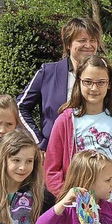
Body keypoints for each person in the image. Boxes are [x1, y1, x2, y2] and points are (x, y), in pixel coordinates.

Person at [45, 55, 112, 222]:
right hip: (78, 213)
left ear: (109, 84)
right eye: (88, 82)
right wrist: (70, 197)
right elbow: (52, 170)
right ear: (79, 82)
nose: (94, 88)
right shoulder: (65, 120)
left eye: (100, 82)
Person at [17, 17, 103, 151]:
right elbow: (19, 107)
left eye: (93, 40)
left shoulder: (107, 76)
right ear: (68, 44)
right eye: (82, 40)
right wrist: (39, 143)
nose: (88, 45)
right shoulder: (48, 72)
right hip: (55, 154)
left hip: (97, 156)